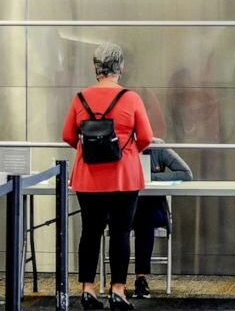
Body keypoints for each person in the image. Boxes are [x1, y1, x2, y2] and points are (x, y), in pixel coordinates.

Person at [62, 42, 153, 311]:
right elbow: (146, 137)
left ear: (96, 68)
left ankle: (88, 290)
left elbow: (68, 135)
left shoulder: (80, 98)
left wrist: (91, 150)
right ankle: (117, 291)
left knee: (90, 232)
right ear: (120, 68)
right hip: (123, 176)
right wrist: (126, 150)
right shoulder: (131, 98)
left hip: (88, 177)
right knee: (121, 232)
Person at [132, 139, 192, 298]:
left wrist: (149, 178)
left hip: (152, 209)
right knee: (128, 218)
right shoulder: (119, 145)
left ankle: (140, 278)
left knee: (144, 217)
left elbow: (186, 174)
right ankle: (123, 282)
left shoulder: (156, 146)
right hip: (125, 207)